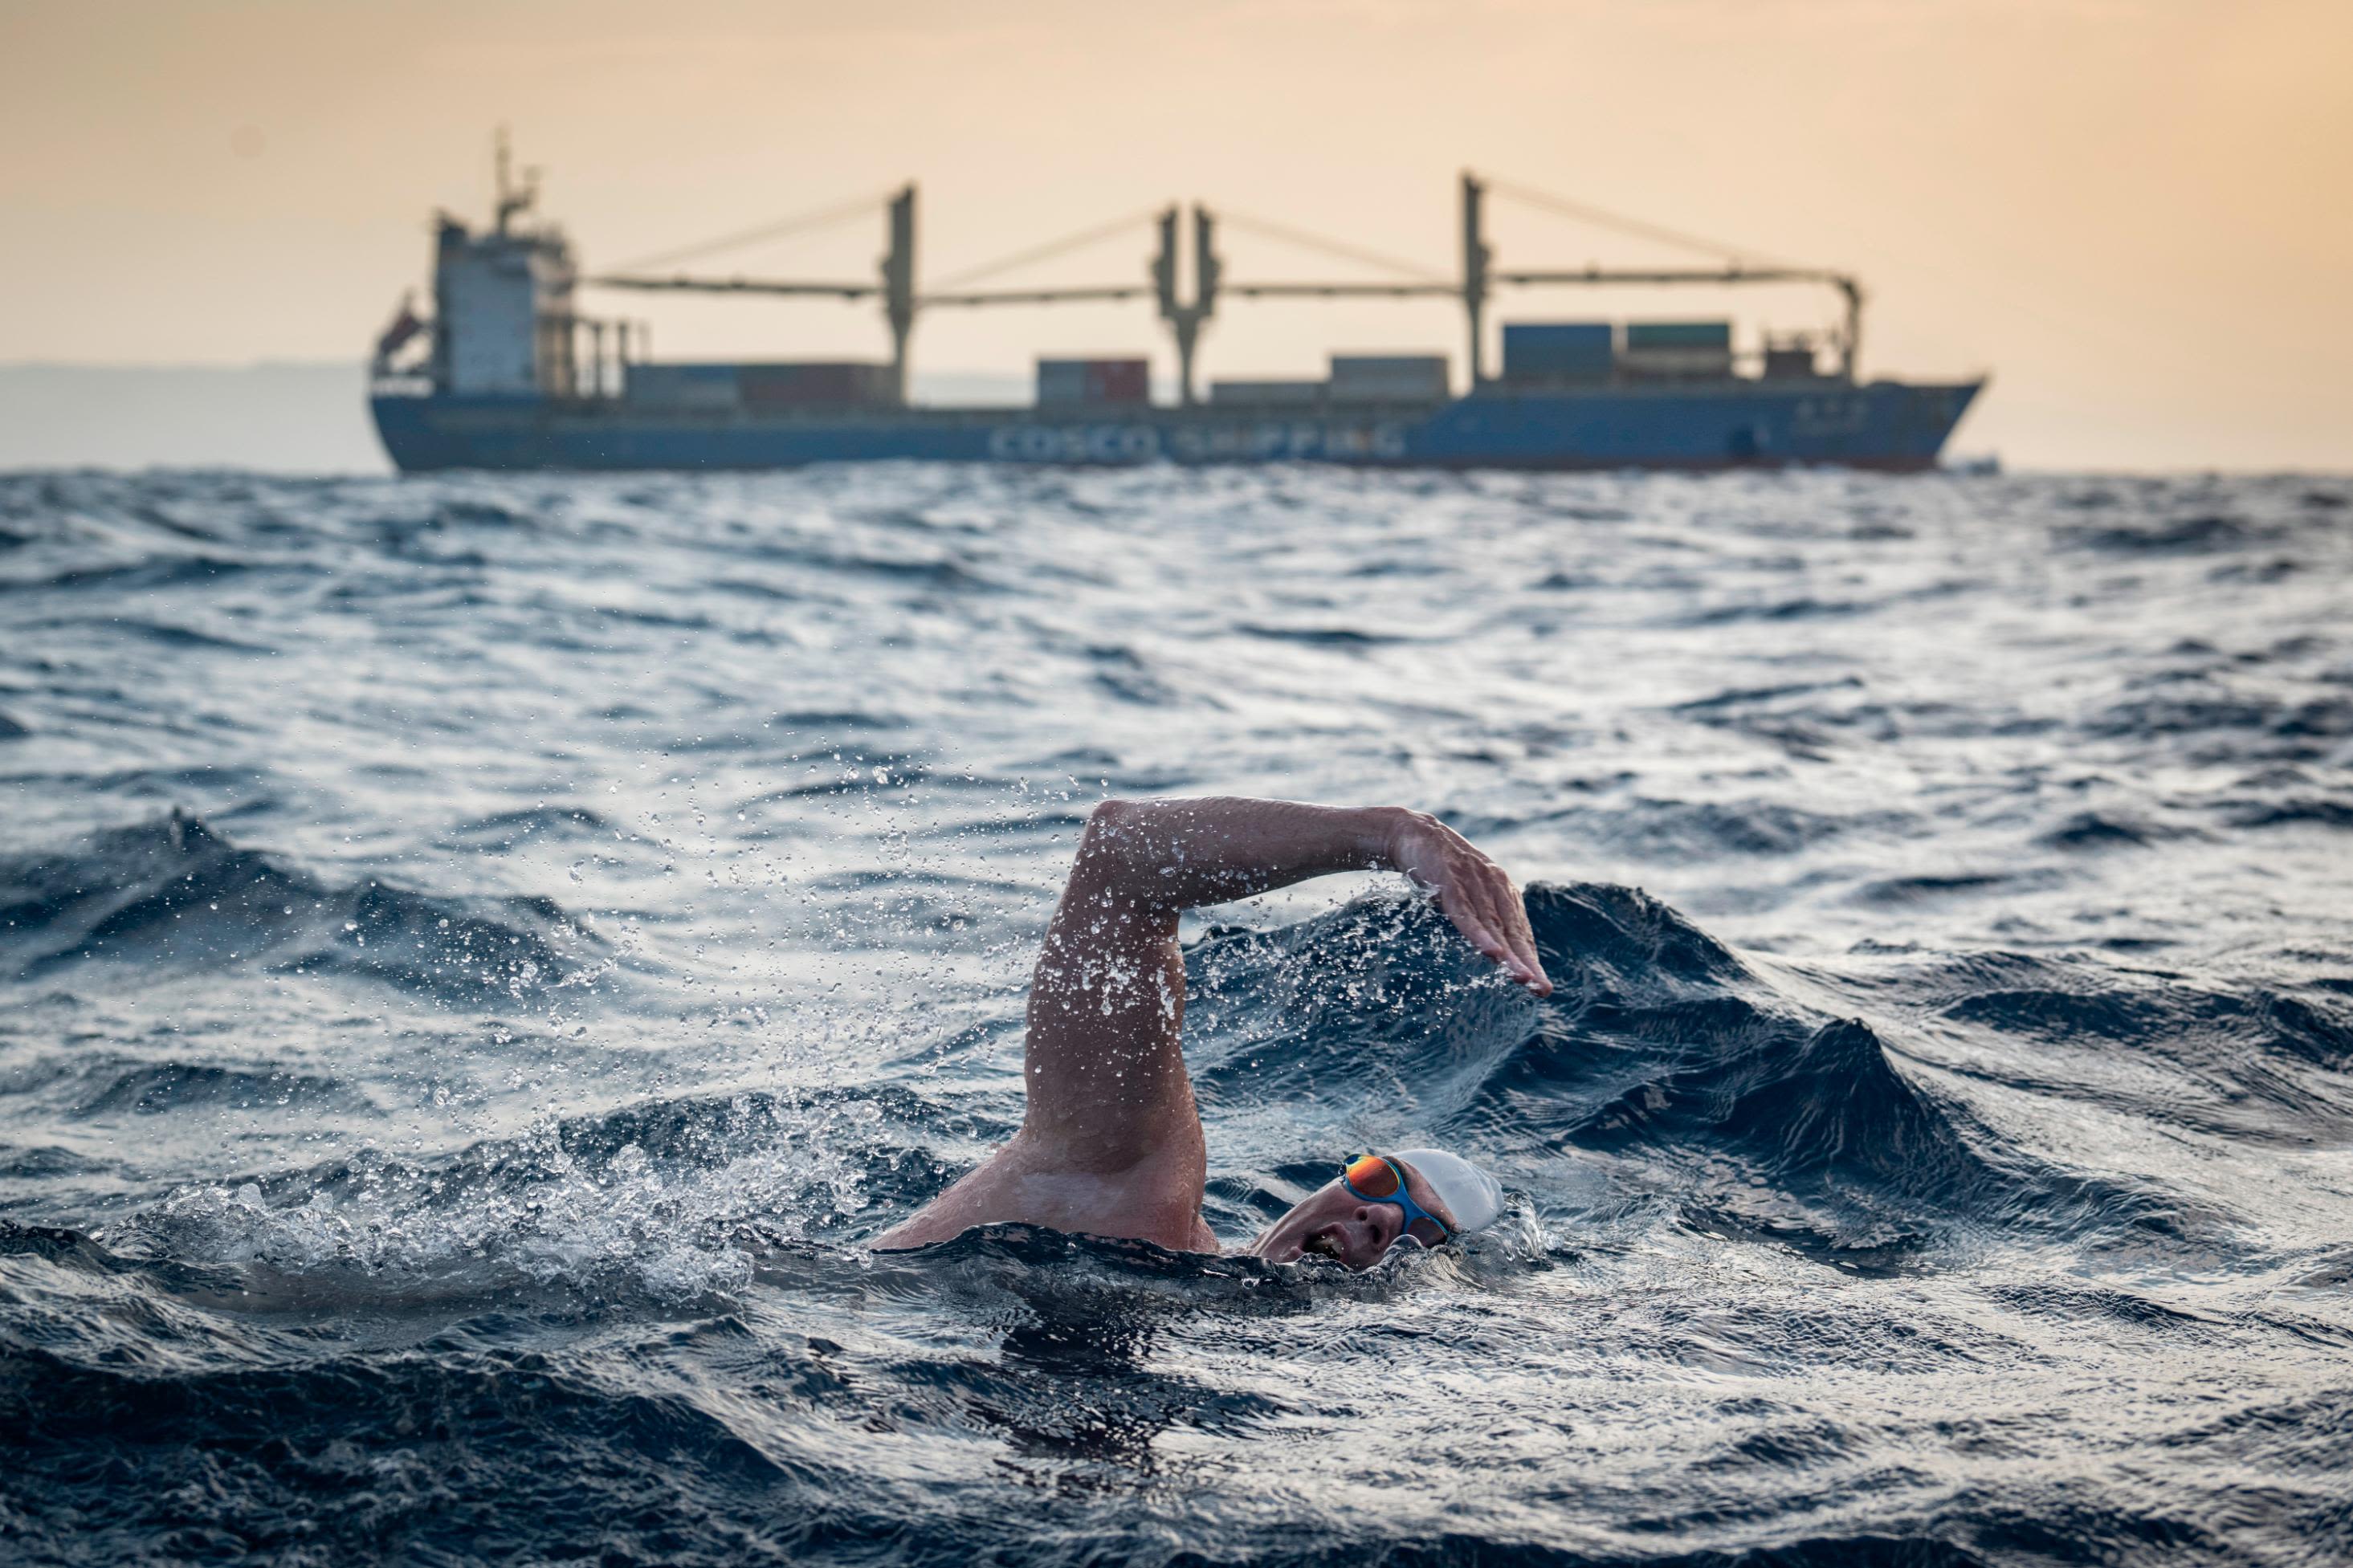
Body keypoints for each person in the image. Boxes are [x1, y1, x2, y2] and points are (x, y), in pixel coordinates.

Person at [874, 797, 1552, 1268]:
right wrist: (1389, 834)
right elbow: (1119, 861)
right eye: (1379, 1180)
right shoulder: (1135, 1195)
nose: (1385, 1216)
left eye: (1424, 1231)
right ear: (1331, 1182)